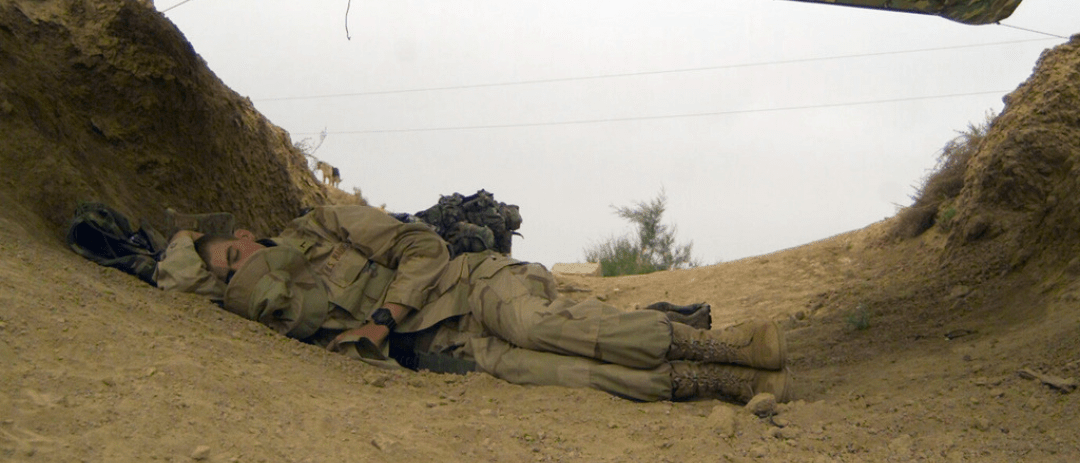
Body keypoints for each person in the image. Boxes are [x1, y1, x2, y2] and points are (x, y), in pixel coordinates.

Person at [155, 204, 792, 403]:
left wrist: (382, 320)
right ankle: (718, 383)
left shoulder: (321, 226)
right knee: (551, 373)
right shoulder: (277, 315)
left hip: (471, 283)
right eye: (225, 284)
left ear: (242, 237)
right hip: (447, 343)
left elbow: (423, 247)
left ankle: (728, 345)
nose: (242, 278)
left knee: (535, 325)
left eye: (234, 261)